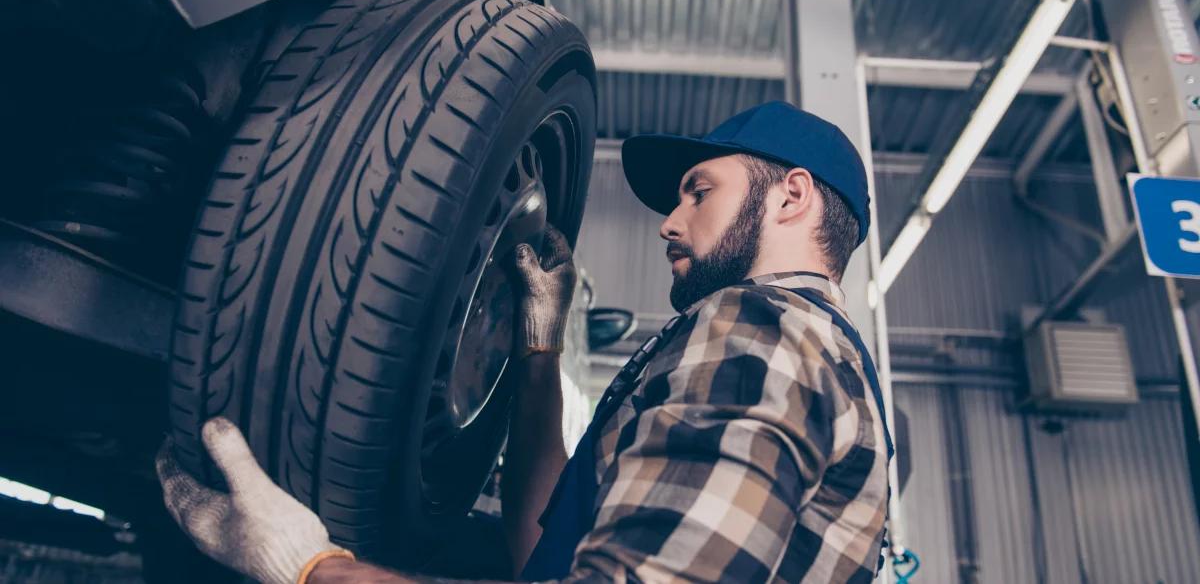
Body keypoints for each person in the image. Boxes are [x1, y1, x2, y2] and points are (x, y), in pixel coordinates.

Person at [156, 100, 893, 583]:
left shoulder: (765, 331)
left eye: (699, 191)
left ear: (791, 196)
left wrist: (310, 568)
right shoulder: (799, 350)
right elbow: (546, 554)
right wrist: (539, 354)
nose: (669, 222)